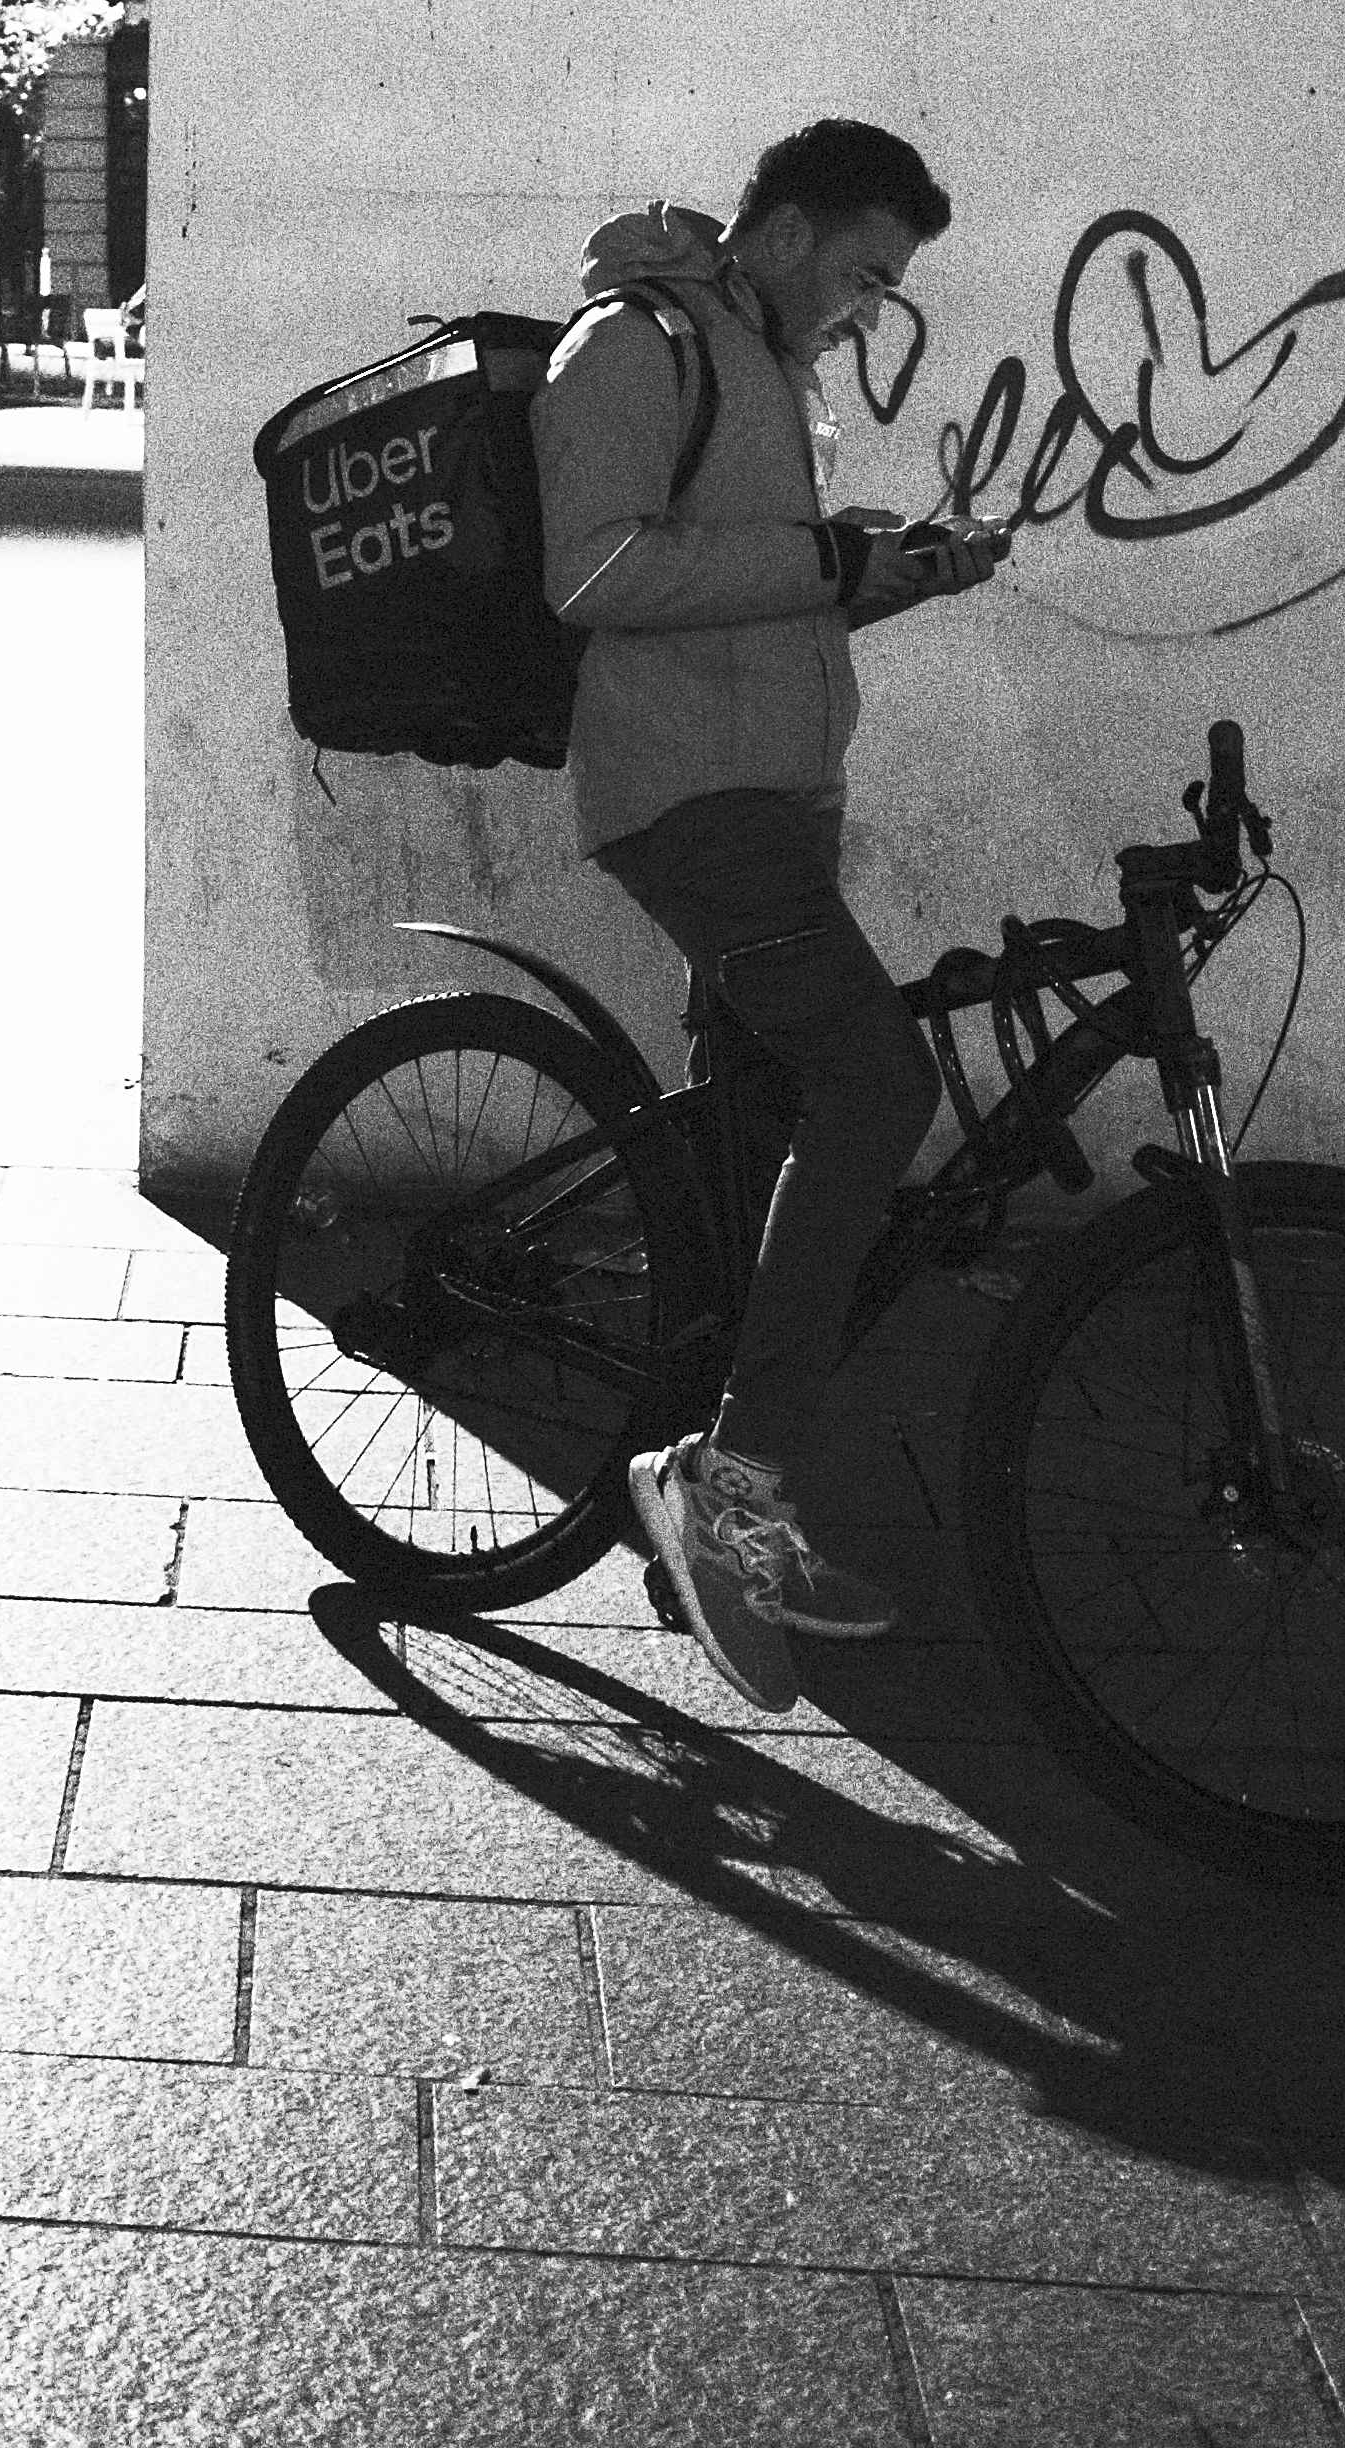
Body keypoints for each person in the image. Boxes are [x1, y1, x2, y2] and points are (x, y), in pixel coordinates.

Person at [531, 114, 1009, 1709]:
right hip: (687, 798)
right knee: (875, 1084)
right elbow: (593, 576)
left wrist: (894, 572)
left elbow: (761, 594)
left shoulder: (762, 367)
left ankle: (698, 1494)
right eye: (865, 275)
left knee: (754, 1139)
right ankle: (728, 1489)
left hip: (772, 800)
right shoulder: (635, 341)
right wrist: (819, 558)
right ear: (787, 231)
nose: (869, 312)